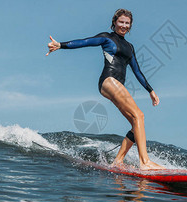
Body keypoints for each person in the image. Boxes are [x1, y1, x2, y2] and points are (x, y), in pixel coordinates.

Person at [46, 9, 164, 170]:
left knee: (136, 124)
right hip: (108, 80)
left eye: (127, 23)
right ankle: (145, 163)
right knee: (139, 115)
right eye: (121, 22)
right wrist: (61, 45)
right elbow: (84, 41)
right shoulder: (107, 38)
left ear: (130, 26)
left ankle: (118, 161)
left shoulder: (130, 47)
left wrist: (150, 90)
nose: (124, 25)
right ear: (114, 22)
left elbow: (137, 71)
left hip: (118, 85)